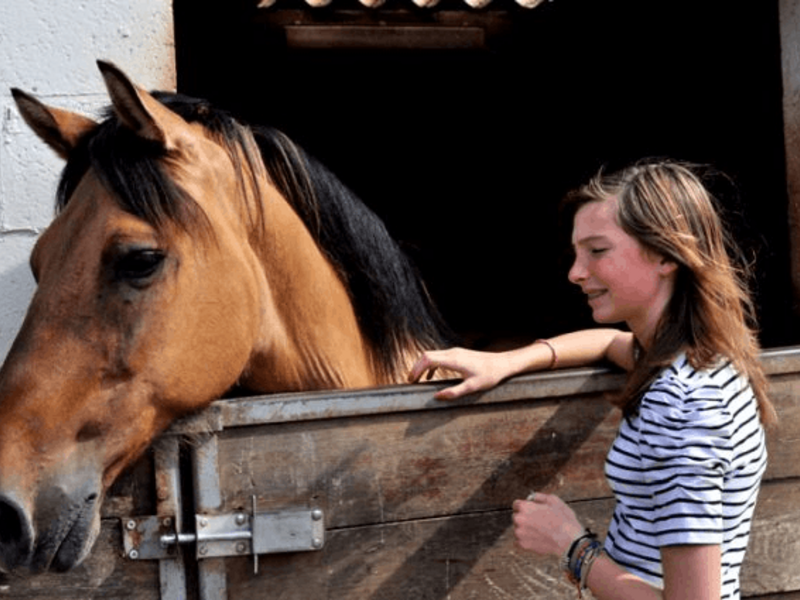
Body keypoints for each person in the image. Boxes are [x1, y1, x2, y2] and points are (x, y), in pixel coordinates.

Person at [408, 160, 776, 600]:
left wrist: (571, 545)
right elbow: (608, 345)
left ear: (664, 255)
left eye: (597, 251)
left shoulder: (680, 405)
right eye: (577, 253)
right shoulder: (699, 359)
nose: (576, 272)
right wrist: (505, 362)